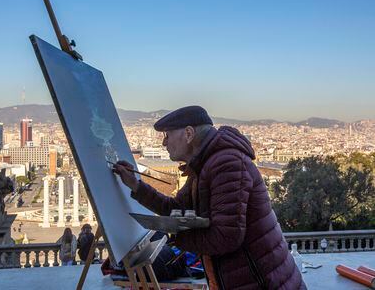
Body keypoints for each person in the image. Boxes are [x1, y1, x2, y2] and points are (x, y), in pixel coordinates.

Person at [113, 106, 306, 289]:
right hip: (249, 277)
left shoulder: (226, 164)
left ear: (188, 134)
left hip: (260, 281)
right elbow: (176, 207)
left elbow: (227, 237)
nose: (164, 143)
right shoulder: (206, 165)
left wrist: (178, 237)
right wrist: (135, 185)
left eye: (167, 135)